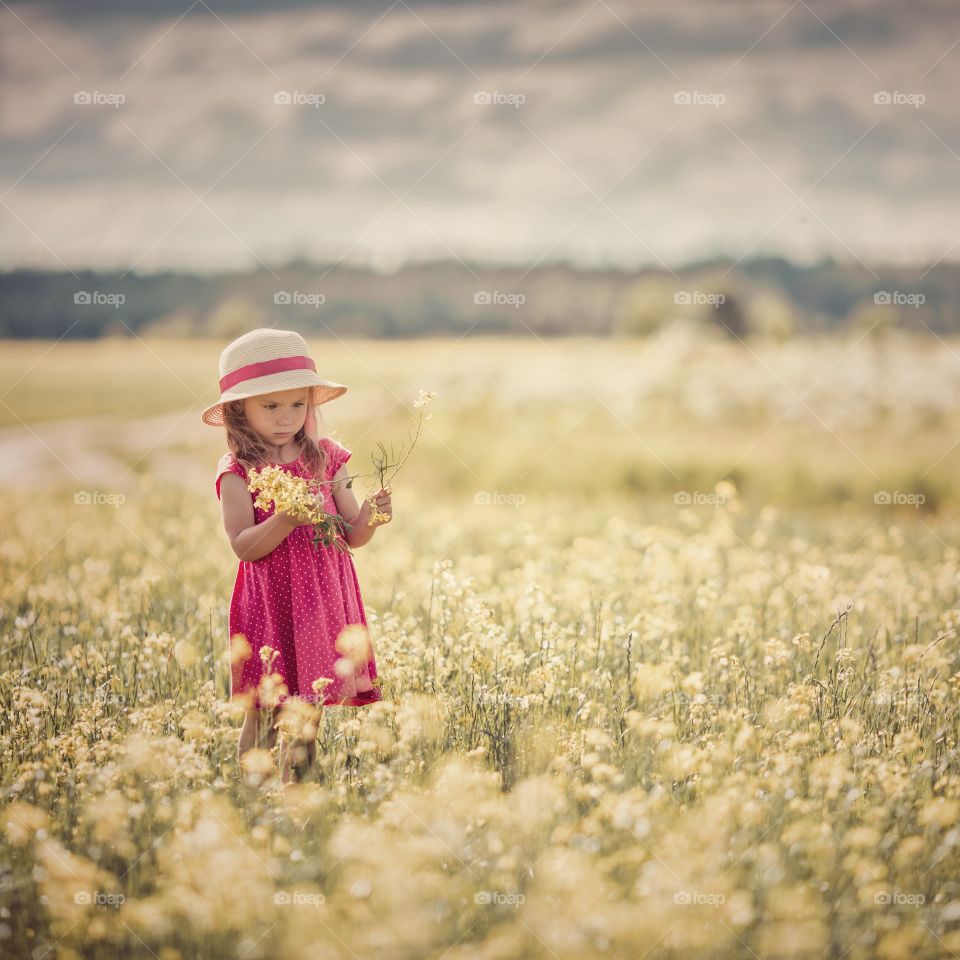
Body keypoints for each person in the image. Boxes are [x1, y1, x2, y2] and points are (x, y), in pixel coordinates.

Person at [202, 327, 392, 785]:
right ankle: (253, 789)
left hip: (321, 599)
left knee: (310, 700)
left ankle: (297, 792)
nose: (286, 417)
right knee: (266, 706)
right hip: (271, 600)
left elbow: (350, 534)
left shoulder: (326, 459)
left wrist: (371, 516)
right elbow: (243, 545)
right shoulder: (239, 470)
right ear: (239, 411)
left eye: (297, 404)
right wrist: (284, 519)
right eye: (271, 405)